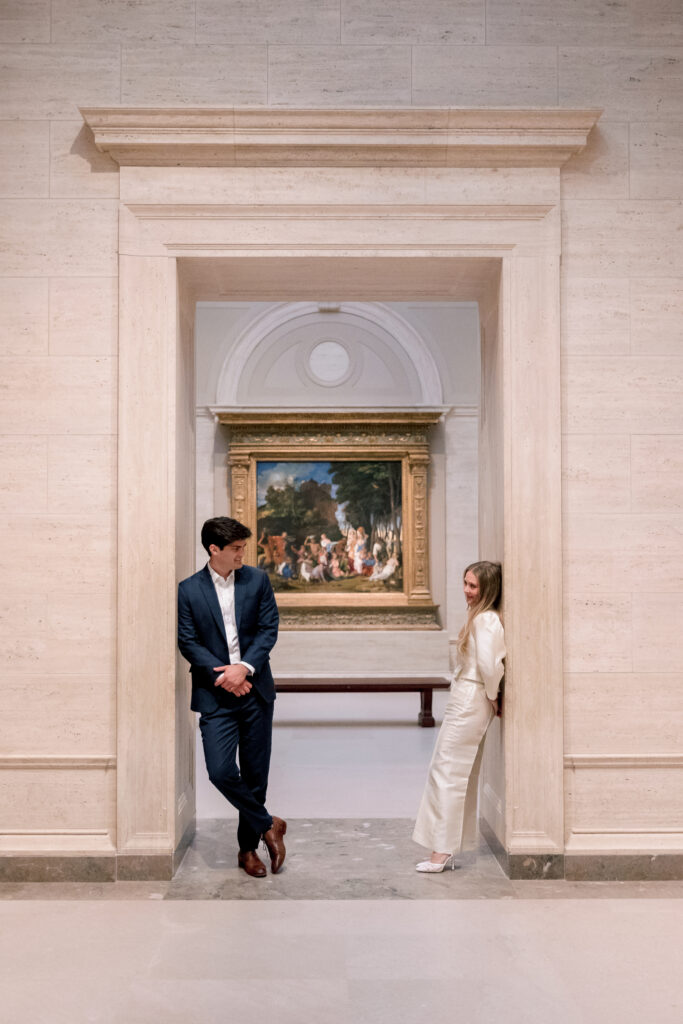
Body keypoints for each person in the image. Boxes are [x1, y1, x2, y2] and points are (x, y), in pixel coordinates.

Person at [177, 516, 287, 878]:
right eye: (236, 549)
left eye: (243, 547)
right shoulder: (188, 590)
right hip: (216, 696)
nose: (242, 554)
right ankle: (268, 823)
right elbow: (188, 641)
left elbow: (269, 629)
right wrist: (225, 676)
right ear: (214, 549)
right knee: (221, 771)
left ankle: (247, 850)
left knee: (255, 777)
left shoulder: (257, 580)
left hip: (256, 691)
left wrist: (245, 668)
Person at [412, 561, 505, 872]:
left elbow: (491, 666)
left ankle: (442, 851)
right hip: (466, 698)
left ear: (488, 589)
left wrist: (492, 696)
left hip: (471, 700)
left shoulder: (486, 620)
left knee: (448, 772)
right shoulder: (479, 617)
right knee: (447, 770)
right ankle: (444, 847)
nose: (466, 590)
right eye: (465, 583)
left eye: (473, 586)